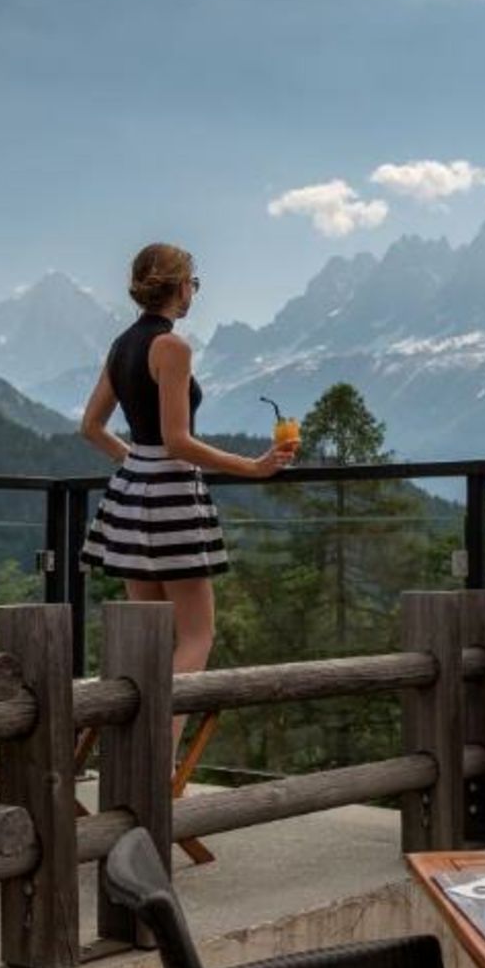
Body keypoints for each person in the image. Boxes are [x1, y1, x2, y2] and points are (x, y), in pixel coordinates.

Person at [79, 244, 295, 748]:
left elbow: (91, 427)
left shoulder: (121, 346)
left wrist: (135, 464)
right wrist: (254, 467)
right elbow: (177, 440)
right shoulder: (171, 347)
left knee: (144, 641)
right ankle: (157, 757)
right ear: (180, 287)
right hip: (172, 496)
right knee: (196, 637)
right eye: (194, 283)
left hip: (130, 499)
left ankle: (110, 747)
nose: (194, 291)